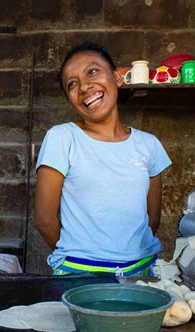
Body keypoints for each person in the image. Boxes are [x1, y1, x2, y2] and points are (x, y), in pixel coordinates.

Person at [34, 41, 171, 276]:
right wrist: (78, 257)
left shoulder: (149, 145)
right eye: (72, 84)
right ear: (70, 98)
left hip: (141, 270)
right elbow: (44, 219)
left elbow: (152, 218)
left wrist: (128, 257)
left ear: (117, 77)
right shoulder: (63, 138)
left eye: (92, 71)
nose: (85, 86)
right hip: (79, 271)